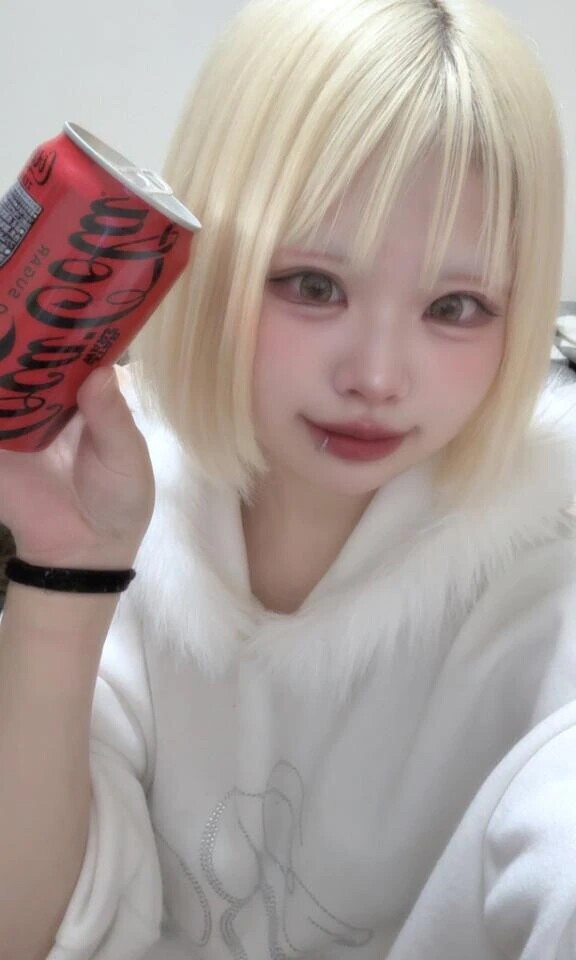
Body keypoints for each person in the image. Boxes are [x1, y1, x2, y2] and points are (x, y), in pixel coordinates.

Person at [1, 0, 576, 957]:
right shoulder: (123, 502)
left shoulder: (550, 571)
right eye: (314, 285)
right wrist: (66, 576)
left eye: (456, 306)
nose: (377, 378)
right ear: (213, 262)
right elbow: (24, 927)